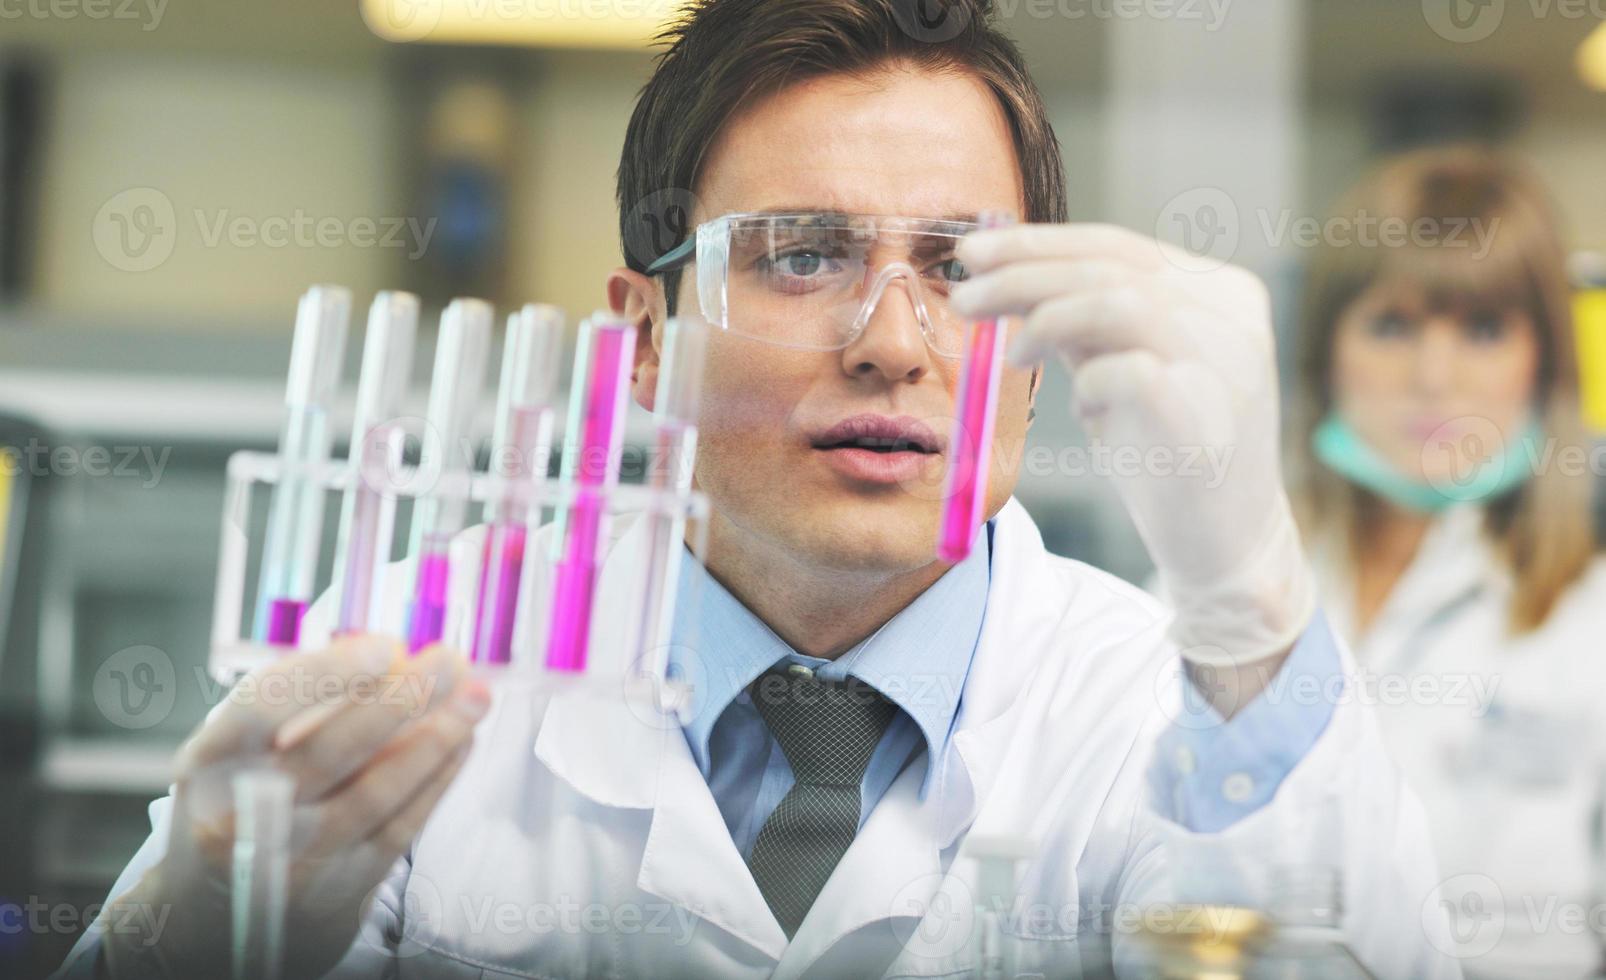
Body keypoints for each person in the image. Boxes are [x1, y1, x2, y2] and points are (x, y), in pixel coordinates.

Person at [60, 1, 1459, 977]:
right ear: (644, 339)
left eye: (961, 272)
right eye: (801, 253)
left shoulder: (1175, 709)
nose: (891, 343)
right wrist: (191, 932)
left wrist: (1253, 601)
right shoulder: (416, 655)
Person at [1291, 145, 1606, 979]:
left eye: (1483, 327)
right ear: (1328, 355)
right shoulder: (1215, 587)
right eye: (1392, 325)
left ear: (1546, 365)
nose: (1434, 378)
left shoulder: (1592, 619)